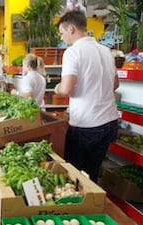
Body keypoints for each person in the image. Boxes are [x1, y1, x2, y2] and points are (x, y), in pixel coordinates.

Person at [54, 10, 119, 182]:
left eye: (62, 33)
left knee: (72, 175)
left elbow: (66, 89)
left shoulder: (73, 52)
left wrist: (58, 88)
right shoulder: (106, 51)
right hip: (109, 122)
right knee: (92, 172)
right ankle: (93, 204)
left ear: (72, 29)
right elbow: (115, 84)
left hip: (86, 124)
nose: (62, 38)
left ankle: (78, 207)